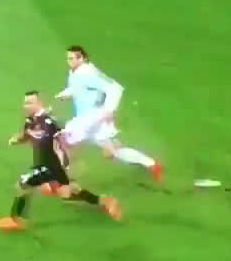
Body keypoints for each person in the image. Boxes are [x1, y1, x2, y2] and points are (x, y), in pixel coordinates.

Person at [0, 91, 122, 230]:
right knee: (69, 193)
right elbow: (27, 135)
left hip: (53, 166)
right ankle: (105, 201)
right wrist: (17, 140)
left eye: (30, 102)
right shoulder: (30, 120)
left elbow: (66, 143)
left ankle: (17, 220)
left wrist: (72, 163)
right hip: (43, 163)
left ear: (40, 103)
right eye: (25, 103)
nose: (26, 106)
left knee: (23, 184)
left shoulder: (51, 123)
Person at [56, 45, 162, 182]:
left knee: (62, 139)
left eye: (71, 58)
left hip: (93, 118)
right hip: (86, 118)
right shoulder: (75, 72)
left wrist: (110, 109)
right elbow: (77, 88)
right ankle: (152, 165)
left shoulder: (88, 73)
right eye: (67, 58)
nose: (68, 61)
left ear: (82, 58)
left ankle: (60, 178)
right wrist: (65, 94)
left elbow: (115, 88)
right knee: (113, 151)